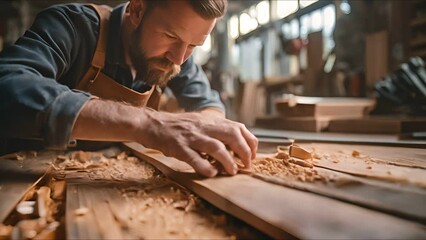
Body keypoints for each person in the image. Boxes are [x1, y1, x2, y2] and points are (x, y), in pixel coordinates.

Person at [0, 0, 258, 177]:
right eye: (171, 37)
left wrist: (207, 128)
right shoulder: (72, 26)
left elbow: (208, 105)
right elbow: (9, 84)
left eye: (193, 46)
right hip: (26, 173)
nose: (179, 58)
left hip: (104, 174)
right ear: (137, 10)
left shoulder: (176, 57)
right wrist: (147, 123)